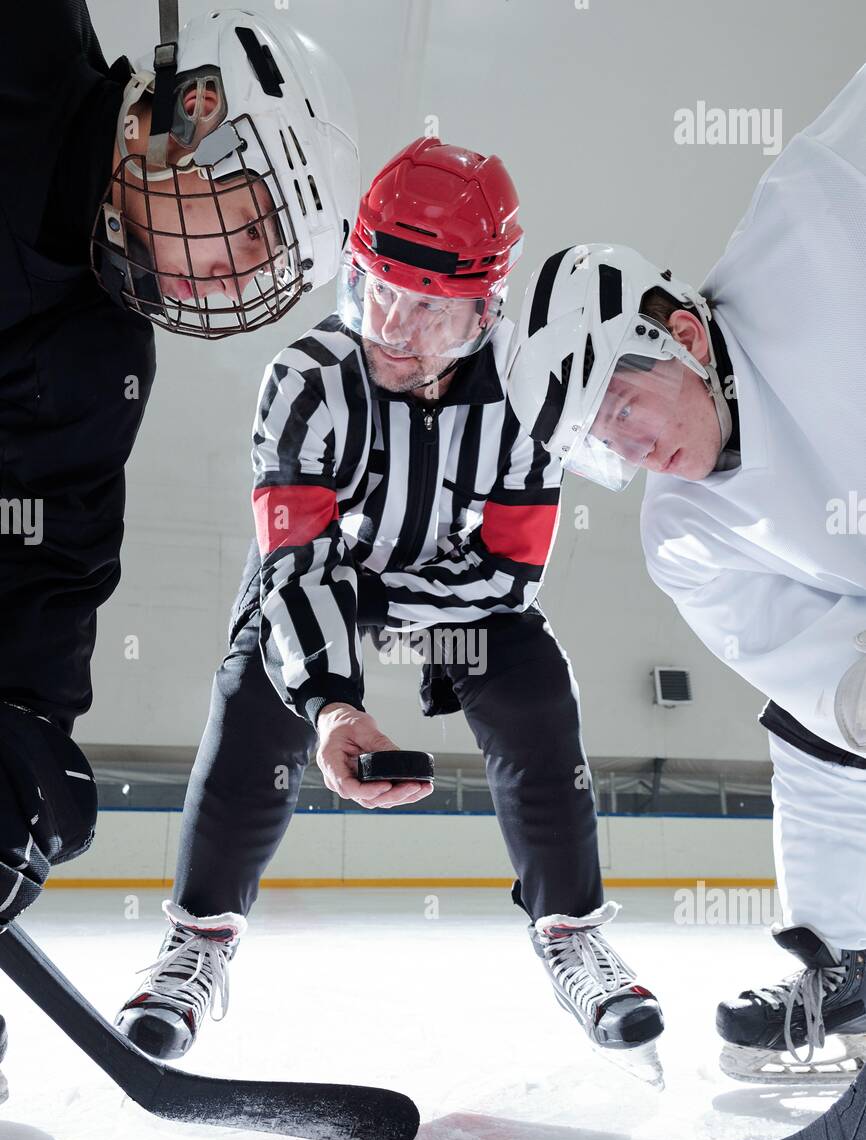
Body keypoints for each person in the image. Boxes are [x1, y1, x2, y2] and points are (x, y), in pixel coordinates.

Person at [114, 137, 664, 1084]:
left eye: (430, 310)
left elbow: (511, 579)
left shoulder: (529, 396)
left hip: (449, 594)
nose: (394, 328)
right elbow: (294, 562)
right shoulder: (305, 378)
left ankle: (570, 930)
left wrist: (401, 608)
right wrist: (332, 700)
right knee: (256, 681)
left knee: (534, 682)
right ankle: (197, 940)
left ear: (486, 309)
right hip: (337, 578)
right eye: (378, 290)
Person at [0, 1, 358, 1093]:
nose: (233, 273)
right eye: (251, 226)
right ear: (191, 115)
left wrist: (19, 753)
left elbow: (43, 554)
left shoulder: (99, 342)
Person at [507, 59, 866, 1083]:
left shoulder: (815, 221)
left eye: (621, 408)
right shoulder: (684, 537)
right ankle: (841, 961)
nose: (627, 451)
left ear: (679, 333)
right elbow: (817, 674)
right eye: (597, 445)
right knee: (811, 723)